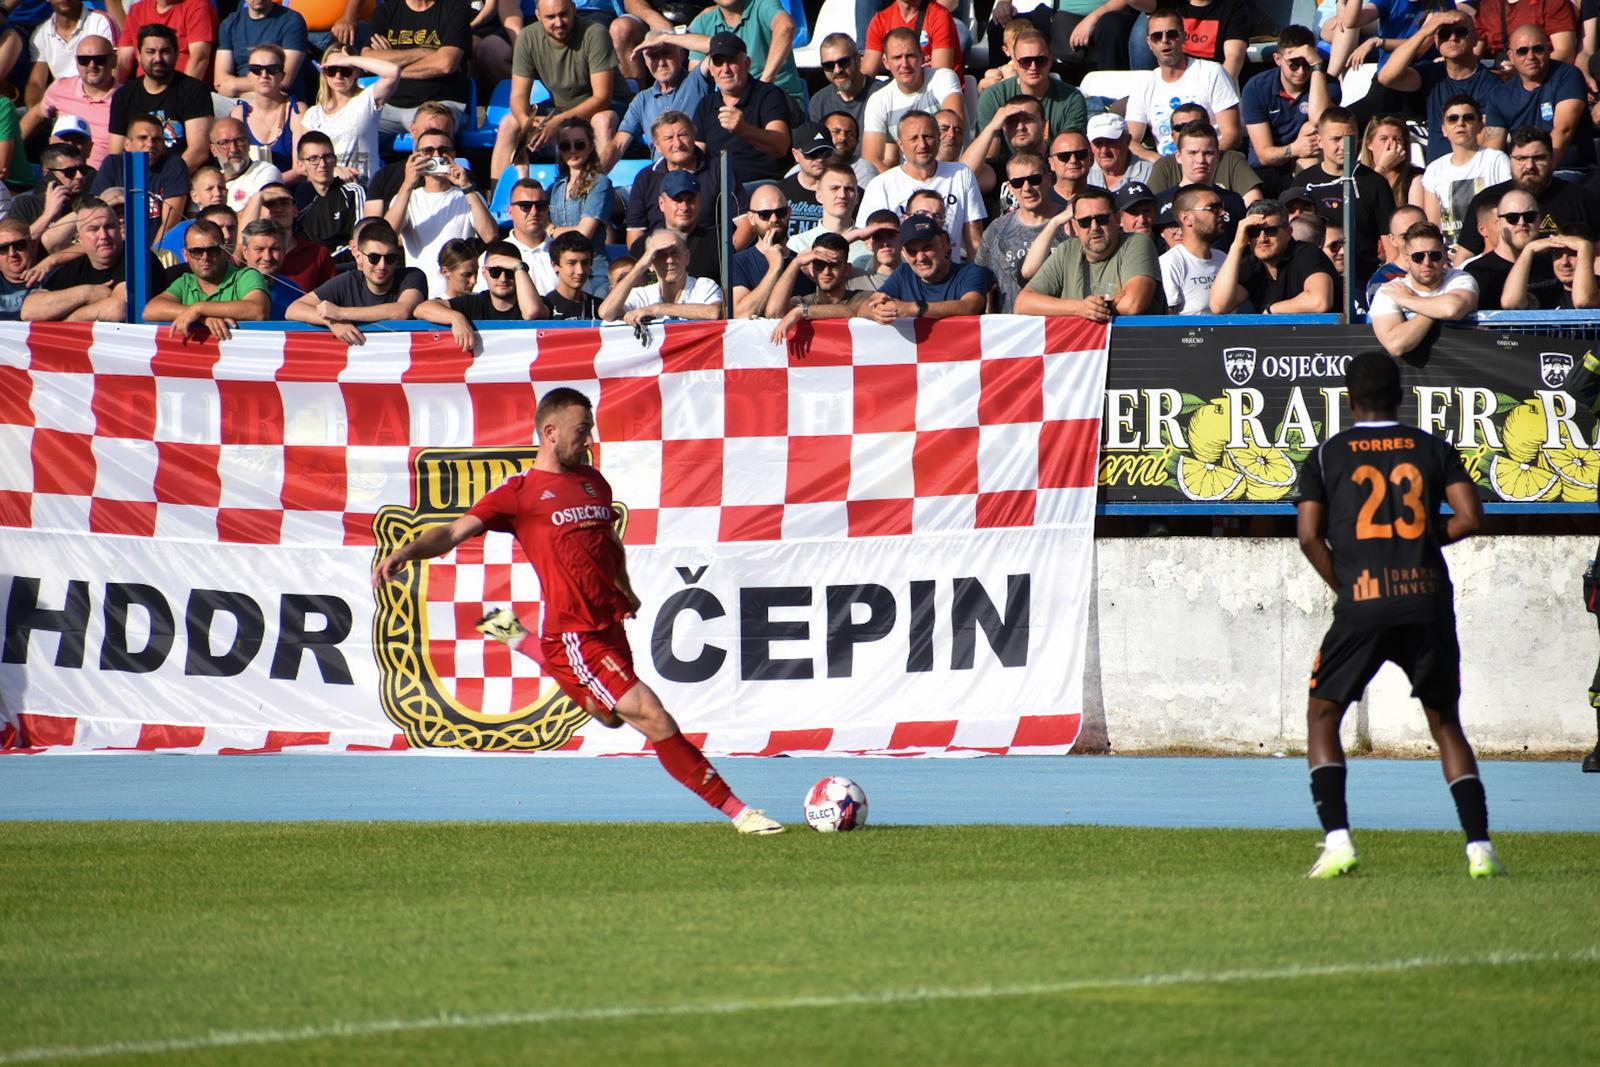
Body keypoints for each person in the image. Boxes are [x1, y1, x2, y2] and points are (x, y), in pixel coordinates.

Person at [372, 387, 785, 834]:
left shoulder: (594, 482)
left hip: (610, 626)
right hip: (574, 634)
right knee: (652, 715)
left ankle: (519, 639)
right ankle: (740, 813)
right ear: (549, 433)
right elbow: (453, 531)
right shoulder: (519, 493)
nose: (588, 440)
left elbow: (609, 543)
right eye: (581, 431)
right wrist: (407, 553)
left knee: (610, 716)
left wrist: (624, 589)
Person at [1296, 351, 1501, 880]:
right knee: (1446, 723)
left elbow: (1308, 536)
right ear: (1401, 396)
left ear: (1349, 400)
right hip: (1426, 597)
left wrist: (1348, 584)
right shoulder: (1432, 447)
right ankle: (1480, 848)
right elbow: (1471, 517)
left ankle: (1338, 840)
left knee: (1323, 716)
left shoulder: (1325, 455)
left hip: (1362, 601)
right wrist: (1419, 543)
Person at [491, 0, 621, 178]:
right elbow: (518, 95)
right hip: (560, 108)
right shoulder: (528, 37)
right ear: (538, 16)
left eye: (563, 14)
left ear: (574, 10)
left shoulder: (595, 33)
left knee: (602, 121)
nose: (558, 22)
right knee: (508, 124)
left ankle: (600, 192)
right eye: (550, 17)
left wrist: (557, 122)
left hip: (605, 107)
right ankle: (500, 198)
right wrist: (526, 123)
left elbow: (602, 98)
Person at [855, 110, 986, 262]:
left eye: (927, 136)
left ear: (938, 138)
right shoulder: (880, 185)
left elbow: (974, 240)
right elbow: (868, 243)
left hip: (950, 275)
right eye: (914, 138)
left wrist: (979, 277)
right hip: (901, 277)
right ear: (901, 144)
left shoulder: (961, 174)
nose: (922, 145)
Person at [383, 128, 500, 297]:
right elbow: (387, 236)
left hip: (459, 297)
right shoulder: (408, 197)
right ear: (416, 155)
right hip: (420, 296)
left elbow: (490, 235)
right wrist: (408, 183)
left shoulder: (467, 195)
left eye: (443, 151)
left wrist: (467, 187)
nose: (436, 155)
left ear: (452, 155)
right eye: (428, 151)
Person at [1015, 186, 1160, 320]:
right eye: (1085, 222)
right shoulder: (1067, 250)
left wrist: (1092, 307)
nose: (1094, 227)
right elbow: (1022, 304)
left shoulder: (1136, 242)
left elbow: (1133, 304)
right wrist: (1079, 307)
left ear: (1117, 219)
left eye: (1102, 219)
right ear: (1075, 226)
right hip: (1081, 345)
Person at [1376, 10, 1501, 165]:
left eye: (1461, 32)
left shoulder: (1491, 84)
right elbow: (1386, 77)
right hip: (1436, 175)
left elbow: (1489, 142)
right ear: (1436, 41)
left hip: (1474, 173)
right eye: (1444, 34)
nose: (1453, 38)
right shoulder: (1431, 74)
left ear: (1475, 39)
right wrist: (1424, 32)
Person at [1296, 106, 1397, 290]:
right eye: (1335, 139)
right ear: (1319, 140)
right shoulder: (1303, 181)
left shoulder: (1375, 183)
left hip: (1362, 281)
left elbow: (1392, 248)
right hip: (1312, 283)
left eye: (1349, 138)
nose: (1343, 146)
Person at [1456, 128, 1600, 256]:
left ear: (1552, 159)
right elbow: (1465, 256)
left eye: (1538, 158)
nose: (1529, 166)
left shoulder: (1580, 198)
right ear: (1510, 160)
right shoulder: (1487, 199)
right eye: (1521, 158)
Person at [1125, 9, 1242, 161]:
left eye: (1172, 34)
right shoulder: (1144, 85)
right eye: (1157, 36)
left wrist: (1197, 160)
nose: (1165, 40)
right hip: (1166, 169)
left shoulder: (1211, 72)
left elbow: (1232, 135)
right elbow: (1129, 140)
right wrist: (1161, 163)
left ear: (1184, 37)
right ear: (1149, 43)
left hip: (1210, 163)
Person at [287, 220, 427, 343]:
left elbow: (401, 311)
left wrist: (340, 313)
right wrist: (331, 321)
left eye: (390, 258)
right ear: (359, 256)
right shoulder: (348, 281)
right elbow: (294, 309)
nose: (382, 265)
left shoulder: (411, 275)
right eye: (374, 258)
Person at [625, 111, 748, 244]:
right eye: (669, 138)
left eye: (683, 135)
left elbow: (745, 225)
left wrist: (721, 261)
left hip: (710, 255)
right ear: (657, 146)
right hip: (661, 258)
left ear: (694, 136)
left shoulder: (720, 169)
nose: (677, 144)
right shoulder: (645, 178)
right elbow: (635, 233)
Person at [22, 198, 155, 322]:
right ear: (79, 238)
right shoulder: (75, 266)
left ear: (119, 230)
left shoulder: (137, 259)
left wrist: (71, 319)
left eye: (109, 226)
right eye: (94, 229)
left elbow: (118, 309)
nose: (103, 235)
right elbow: (29, 310)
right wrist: (88, 292)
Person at [107, 23, 214, 173]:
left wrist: (168, 183)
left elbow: (198, 152)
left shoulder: (194, 90)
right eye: (150, 52)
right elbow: (116, 154)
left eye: (165, 52)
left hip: (182, 179)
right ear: (138, 55)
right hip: (137, 181)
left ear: (176, 54)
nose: (158, 58)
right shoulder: (123, 95)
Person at [1485, 25, 1594, 172]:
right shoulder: (1500, 94)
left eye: (1538, 49)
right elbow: (1493, 150)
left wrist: (1539, 174)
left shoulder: (1568, 75)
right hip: (1521, 175)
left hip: (1567, 171)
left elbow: (1564, 131)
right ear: (1511, 56)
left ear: (1549, 49)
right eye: (1522, 51)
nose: (1531, 57)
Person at [690, 32, 793, 185]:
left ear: (746, 63)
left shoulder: (768, 94)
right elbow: (697, 154)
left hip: (762, 187)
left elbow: (781, 145)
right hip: (718, 189)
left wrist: (744, 129)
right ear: (711, 69)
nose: (725, 69)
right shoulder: (706, 104)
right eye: (718, 62)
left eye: (731, 61)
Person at [141, 217, 271, 338]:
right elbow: (150, 310)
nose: (205, 257)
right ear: (186, 255)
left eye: (212, 250)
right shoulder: (185, 281)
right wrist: (202, 318)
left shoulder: (246, 275)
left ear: (224, 251)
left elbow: (258, 310)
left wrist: (199, 308)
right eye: (197, 251)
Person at [1241, 25, 1337, 185]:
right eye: (1294, 64)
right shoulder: (1256, 87)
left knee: (1310, 151)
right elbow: (1264, 154)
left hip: (1307, 159)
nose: (1300, 71)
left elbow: (1318, 119)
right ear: (1278, 59)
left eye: (1307, 63)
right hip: (1265, 170)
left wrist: (1318, 67)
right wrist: (1296, 148)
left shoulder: (1326, 83)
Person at [859, 27, 964, 173]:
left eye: (910, 56)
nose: (905, 64)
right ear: (886, 62)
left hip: (951, 171)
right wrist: (902, 186)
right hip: (908, 182)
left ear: (922, 56)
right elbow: (871, 160)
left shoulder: (943, 78)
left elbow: (953, 130)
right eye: (897, 58)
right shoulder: (879, 100)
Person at [1370, 221, 1479, 358]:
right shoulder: (1391, 290)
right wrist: (1435, 308)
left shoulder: (1461, 279)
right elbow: (1396, 345)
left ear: (1445, 255)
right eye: (1418, 257)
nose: (1427, 263)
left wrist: (1408, 300)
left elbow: (1452, 309)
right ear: (1406, 259)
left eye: (1434, 256)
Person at [857, 213, 991, 323]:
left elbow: (970, 306)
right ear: (903, 253)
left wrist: (914, 308)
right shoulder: (903, 274)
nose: (920, 257)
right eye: (912, 251)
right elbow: (864, 307)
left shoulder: (969, 272)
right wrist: (878, 311)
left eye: (927, 248)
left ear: (944, 243)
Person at [680, 0, 806, 117]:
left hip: (777, 101)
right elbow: (696, 79)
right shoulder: (704, 22)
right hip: (729, 108)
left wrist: (763, 84)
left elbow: (786, 27)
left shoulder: (762, 4)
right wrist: (667, 37)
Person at [363, 0, 472, 136]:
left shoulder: (455, 9)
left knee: (434, 125)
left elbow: (446, 64)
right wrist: (421, 52)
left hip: (438, 102)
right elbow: (367, 57)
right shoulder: (386, 11)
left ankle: (430, 158)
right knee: (355, 127)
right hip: (389, 105)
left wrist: (391, 68)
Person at [1209, 198, 1337, 313]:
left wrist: (1272, 310)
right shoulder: (1252, 265)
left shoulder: (1307, 253)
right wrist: (1237, 245)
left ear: (1288, 233)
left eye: (1271, 231)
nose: (1262, 238)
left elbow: (1319, 302)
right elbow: (1219, 306)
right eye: (1254, 232)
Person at [299, 45, 400, 186]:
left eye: (345, 70)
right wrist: (333, 170)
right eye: (332, 70)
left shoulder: (366, 99)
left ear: (356, 72)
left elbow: (393, 71)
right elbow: (303, 164)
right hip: (331, 191)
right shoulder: (312, 115)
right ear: (323, 72)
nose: (338, 76)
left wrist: (352, 59)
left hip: (367, 190)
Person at [975, 151, 1061, 312]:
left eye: (1034, 180)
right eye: (1018, 182)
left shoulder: (1072, 222)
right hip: (1011, 329)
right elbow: (982, 282)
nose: (1027, 188)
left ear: (1049, 179)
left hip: (1061, 327)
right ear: (1009, 187)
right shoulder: (996, 230)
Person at [1422, 95, 1511, 249]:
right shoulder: (1434, 169)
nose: (1460, 123)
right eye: (1452, 119)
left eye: (1468, 118)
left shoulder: (1497, 160)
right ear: (1444, 129)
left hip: (1491, 250)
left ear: (1480, 125)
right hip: (1448, 256)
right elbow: (1434, 225)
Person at [973, 30, 1088, 144]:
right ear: (1015, 63)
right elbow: (989, 157)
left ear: (1050, 60)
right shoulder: (993, 97)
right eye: (1025, 61)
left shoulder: (1072, 99)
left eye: (1040, 60)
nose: (1033, 67)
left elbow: (1070, 153)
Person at [608, 38, 708, 167]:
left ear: (681, 54)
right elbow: (618, 146)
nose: (661, 63)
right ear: (646, 62)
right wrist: (590, 179)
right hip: (660, 178)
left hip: (698, 173)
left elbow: (722, 45)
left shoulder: (696, 81)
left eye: (666, 53)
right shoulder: (642, 100)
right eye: (653, 56)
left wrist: (666, 38)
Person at [91, 112, 190, 240]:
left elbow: (169, 224)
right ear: (127, 144)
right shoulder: (113, 164)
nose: (150, 144)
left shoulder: (173, 164)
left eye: (156, 139)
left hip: (158, 248)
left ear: (163, 144)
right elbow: (97, 213)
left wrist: (154, 257)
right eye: (143, 138)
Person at [24, 35, 117, 168]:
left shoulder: (126, 97)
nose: (92, 65)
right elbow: (35, 115)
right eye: (83, 60)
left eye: (99, 59)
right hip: (62, 175)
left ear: (114, 60)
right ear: (76, 62)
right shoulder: (60, 88)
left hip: (104, 180)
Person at [546, 117, 614, 294]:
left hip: (593, 270)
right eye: (565, 146)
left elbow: (583, 233)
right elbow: (533, 217)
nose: (573, 150)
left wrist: (552, 230)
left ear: (591, 146)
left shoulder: (600, 183)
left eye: (579, 144)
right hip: (560, 272)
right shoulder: (555, 187)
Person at [599, 229, 724, 323]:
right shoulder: (641, 295)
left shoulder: (703, 286)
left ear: (687, 257)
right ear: (650, 263)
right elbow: (606, 313)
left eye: (675, 253)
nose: (669, 260)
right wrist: (641, 264)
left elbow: (715, 312)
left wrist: (658, 309)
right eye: (660, 255)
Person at [727, 183, 810, 317]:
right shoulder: (738, 263)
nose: (774, 219)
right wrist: (774, 269)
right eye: (764, 214)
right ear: (751, 218)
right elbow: (741, 314)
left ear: (789, 213)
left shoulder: (804, 265)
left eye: (780, 212)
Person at [1462, 189, 1553, 310]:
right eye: (1512, 218)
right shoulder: (1479, 271)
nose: (1522, 223)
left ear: (1539, 220)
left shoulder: (1552, 267)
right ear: (1499, 224)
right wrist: (1529, 250)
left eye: (1529, 216)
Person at [766, 231, 869, 337]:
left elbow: (857, 310)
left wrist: (803, 311)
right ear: (811, 269)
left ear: (847, 269)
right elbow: (774, 314)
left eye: (833, 265)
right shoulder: (801, 302)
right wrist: (796, 263)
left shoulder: (862, 298)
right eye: (819, 264)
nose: (826, 272)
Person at [242, 181, 337, 294]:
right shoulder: (249, 253)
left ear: (295, 211)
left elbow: (332, 297)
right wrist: (258, 197)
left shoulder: (318, 253)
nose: (278, 208)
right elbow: (243, 238)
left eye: (284, 203)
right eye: (269, 204)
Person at [228, 43, 307, 174]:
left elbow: (301, 169)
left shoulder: (297, 111)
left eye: (272, 69)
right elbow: (232, 166)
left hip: (288, 188)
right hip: (249, 189)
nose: (264, 75)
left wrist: (268, 184)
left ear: (282, 75)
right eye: (256, 69)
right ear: (249, 76)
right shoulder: (239, 113)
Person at [24, 0, 116, 108]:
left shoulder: (101, 21)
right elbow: (36, 83)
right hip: (60, 105)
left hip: (98, 103)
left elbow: (114, 70)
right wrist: (35, 110)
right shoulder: (40, 33)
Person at [962, 95, 1053, 204]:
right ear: (1004, 128)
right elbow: (963, 177)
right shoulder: (1001, 167)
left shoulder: (1062, 160)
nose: (1020, 127)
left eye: (1028, 120)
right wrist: (991, 127)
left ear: (1044, 125)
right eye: (1012, 121)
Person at [214, 0, 311, 101]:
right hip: (237, 98)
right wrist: (244, 93)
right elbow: (219, 81)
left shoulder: (291, 20)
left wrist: (235, 85)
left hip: (279, 101)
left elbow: (284, 81)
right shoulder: (230, 23)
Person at [292, 130, 366, 257]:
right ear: (301, 164)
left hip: (347, 268)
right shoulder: (300, 205)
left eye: (327, 157)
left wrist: (323, 262)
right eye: (313, 159)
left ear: (335, 160)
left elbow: (361, 243)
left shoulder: (352, 193)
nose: (322, 164)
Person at [8, 143, 92, 253]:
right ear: (48, 174)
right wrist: (48, 215)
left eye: (82, 169)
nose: (79, 176)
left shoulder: (90, 203)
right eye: (70, 172)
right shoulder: (25, 204)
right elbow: (16, 247)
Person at [1159, 182, 1228, 313]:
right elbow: (1168, 323)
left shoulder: (1224, 259)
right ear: (1186, 218)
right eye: (1213, 208)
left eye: (1222, 207)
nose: (1223, 213)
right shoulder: (1170, 263)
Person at [115, 0, 219, 84]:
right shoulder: (137, 10)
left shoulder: (198, 5)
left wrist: (183, 95)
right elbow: (123, 61)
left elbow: (200, 58)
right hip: (144, 94)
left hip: (181, 91)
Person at [805, 33, 885, 132]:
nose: (837, 70)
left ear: (857, 60)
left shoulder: (883, 95)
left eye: (843, 62)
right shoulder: (819, 102)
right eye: (829, 65)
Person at [863, 0, 963, 78]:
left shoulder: (939, 16)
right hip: (903, 94)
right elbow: (866, 74)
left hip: (938, 98)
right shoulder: (880, 20)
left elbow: (940, 77)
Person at [1503, 233, 1600, 309]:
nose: (1564, 262)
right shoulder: (1548, 290)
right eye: (1558, 255)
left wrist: (1584, 246)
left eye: (1573, 254)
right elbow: (1510, 303)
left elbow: (1583, 301)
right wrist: (1528, 250)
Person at [787, 162, 864, 254]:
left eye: (849, 189)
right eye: (834, 188)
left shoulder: (870, 243)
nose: (842, 195)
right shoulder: (798, 244)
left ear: (857, 197)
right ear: (819, 195)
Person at [211, 116, 283, 212]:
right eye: (225, 143)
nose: (233, 149)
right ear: (214, 150)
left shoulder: (264, 172)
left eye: (240, 141)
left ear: (249, 144)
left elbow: (260, 213)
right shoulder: (210, 181)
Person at [1475, 0, 1579, 64]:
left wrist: (1521, 69)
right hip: (1501, 80)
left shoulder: (1552, 2)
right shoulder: (1487, 5)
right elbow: (1474, 54)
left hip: (1544, 77)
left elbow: (1565, 54)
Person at [237, 218, 297, 317]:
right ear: (245, 251)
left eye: (274, 249)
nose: (267, 257)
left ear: (284, 252)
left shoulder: (294, 292)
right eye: (259, 249)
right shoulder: (229, 288)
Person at [1361, 116, 1423, 212]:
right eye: (1384, 139)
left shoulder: (1415, 178)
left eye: (1398, 139)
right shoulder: (1358, 174)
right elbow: (1359, 206)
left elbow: (1416, 223)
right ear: (1369, 144)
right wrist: (1381, 168)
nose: (1392, 145)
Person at [780, 127, 833, 238]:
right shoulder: (780, 191)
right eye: (812, 153)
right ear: (795, 154)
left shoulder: (846, 192)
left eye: (826, 153)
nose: (820, 159)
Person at [543, 229, 603, 318]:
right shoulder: (545, 308)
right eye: (571, 263)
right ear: (555, 265)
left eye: (585, 263)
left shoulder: (600, 307)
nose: (580, 271)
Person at [1087, 113, 1153, 192]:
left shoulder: (1150, 172)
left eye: (1110, 142)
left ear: (1127, 141)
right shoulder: (1084, 173)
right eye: (1098, 143)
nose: (1104, 150)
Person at [822, 109, 880, 187]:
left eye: (850, 134)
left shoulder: (863, 169)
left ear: (856, 141)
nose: (843, 137)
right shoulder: (808, 164)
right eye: (836, 131)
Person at [850, 206, 903, 290]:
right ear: (867, 243)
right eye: (877, 237)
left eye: (891, 235)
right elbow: (824, 254)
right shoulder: (855, 279)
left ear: (902, 238)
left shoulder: (918, 277)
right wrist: (858, 234)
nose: (885, 243)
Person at [0, 219, 40, 320]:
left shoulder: (53, 276)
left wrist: (53, 260)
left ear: (34, 246)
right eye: (3, 248)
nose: (12, 253)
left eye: (19, 245)